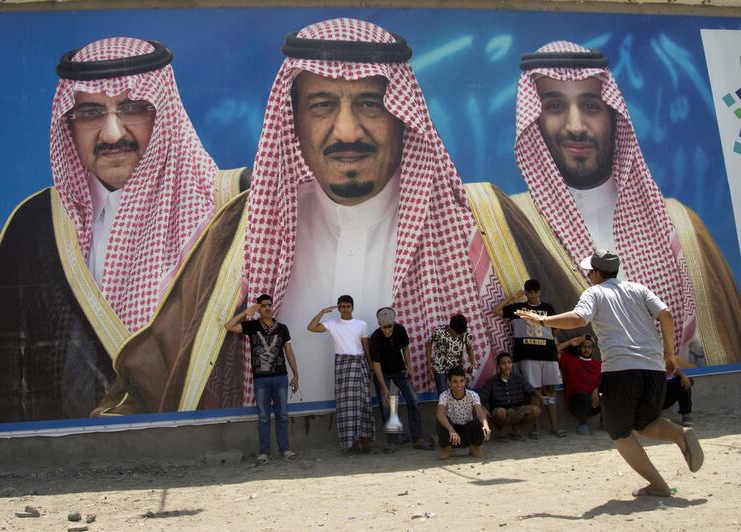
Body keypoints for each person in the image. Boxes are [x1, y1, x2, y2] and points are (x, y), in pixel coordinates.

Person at [93, 18, 512, 416]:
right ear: (293, 121)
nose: (347, 131)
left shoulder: (469, 239)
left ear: (401, 119)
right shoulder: (237, 234)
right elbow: (161, 370)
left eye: (370, 104)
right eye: (322, 105)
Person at [0, 37, 225, 425]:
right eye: (91, 112)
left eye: (132, 108)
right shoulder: (32, 224)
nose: (112, 134)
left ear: (164, 113)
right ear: (69, 125)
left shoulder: (226, 212)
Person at [509, 40, 741, 366]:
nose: (575, 127)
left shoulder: (682, 226)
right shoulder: (511, 224)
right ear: (535, 120)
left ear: (613, 116)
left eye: (590, 106)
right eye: (555, 107)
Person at [516, 249, 704, 497]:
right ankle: (680, 433)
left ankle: (658, 485)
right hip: (654, 369)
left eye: (589, 272)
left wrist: (541, 321)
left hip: (621, 369)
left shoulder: (594, 293)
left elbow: (578, 318)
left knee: (619, 431)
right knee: (645, 423)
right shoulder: (639, 289)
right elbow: (666, 315)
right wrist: (669, 354)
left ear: (595, 273)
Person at [224, 294, 299, 464]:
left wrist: (296, 374)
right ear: (259, 308)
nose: (267, 308)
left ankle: (285, 449)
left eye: (269, 305)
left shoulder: (282, 328)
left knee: (282, 414)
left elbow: (289, 352)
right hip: (261, 379)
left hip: (280, 377)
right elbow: (228, 326)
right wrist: (246, 313)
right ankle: (264, 452)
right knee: (264, 416)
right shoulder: (252, 326)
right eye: (263, 305)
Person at [493, 279, 565, 437]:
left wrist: (551, 340)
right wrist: (512, 297)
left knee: (551, 390)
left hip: (548, 355)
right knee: (534, 391)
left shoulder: (548, 308)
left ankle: (554, 426)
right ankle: (536, 428)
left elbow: (557, 329)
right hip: (527, 356)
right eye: (530, 292)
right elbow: (496, 311)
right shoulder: (518, 308)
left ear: (539, 292)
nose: (533, 295)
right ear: (526, 293)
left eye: (536, 292)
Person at [308, 295, 378, 452]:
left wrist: (371, 368)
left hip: (360, 366)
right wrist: (323, 311)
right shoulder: (332, 324)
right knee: (345, 405)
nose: (346, 309)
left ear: (353, 308)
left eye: (348, 306)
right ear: (338, 308)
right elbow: (311, 327)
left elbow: (366, 348)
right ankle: (350, 444)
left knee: (364, 403)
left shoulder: (361, 324)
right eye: (342, 306)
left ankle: (365, 442)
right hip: (343, 368)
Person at [369, 307, 433, 452]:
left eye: (389, 327)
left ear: (393, 323)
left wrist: (409, 366)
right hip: (383, 373)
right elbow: (376, 365)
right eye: (383, 327)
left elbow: (405, 347)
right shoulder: (375, 338)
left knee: (414, 401)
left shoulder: (400, 330)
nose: (386, 330)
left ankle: (417, 438)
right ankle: (393, 441)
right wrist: (384, 388)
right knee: (387, 406)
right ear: (379, 325)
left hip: (399, 370)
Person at [478, 352, 543, 440]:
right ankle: (501, 430)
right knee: (500, 412)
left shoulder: (519, 378)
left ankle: (516, 429)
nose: (507, 366)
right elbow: (482, 398)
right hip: (499, 412)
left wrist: (540, 396)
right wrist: (486, 413)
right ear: (498, 366)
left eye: (509, 362)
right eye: (503, 363)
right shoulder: (492, 381)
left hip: (516, 410)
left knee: (536, 410)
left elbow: (531, 390)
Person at [436, 366, 491, 460]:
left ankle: (474, 447)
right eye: (455, 381)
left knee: (479, 420)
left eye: (461, 381)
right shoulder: (444, 396)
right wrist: (451, 430)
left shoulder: (473, 395)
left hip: (467, 432)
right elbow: (440, 413)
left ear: (465, 381)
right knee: (440, 420)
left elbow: (479, 410)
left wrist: (486, 425)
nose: (459, 385)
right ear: (449, 382)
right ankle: (447, 448)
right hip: (452, 433)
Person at [557, 335, 601, 434]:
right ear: (579, 348)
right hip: (576, 403)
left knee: (608, 393)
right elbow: (551, 351)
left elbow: (606, 381)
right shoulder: (569, 360)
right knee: (583, 395)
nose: (586, 349)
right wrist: (569, 342)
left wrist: (597, 389)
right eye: (584, 347)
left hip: (594, 403)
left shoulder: (598, 365)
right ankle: (583, 425)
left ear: (593, 349)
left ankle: (606, 423)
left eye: (589, 347)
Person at [425, 314, 477, 395]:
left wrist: (473, 363)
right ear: (450, 327)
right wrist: (428, 365)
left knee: (460, 392)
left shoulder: (466, 332)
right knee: (442, 394)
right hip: (440, 366)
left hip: (457, 366)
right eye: (456, 333)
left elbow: (469, 348)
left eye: (460, 333)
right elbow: (428, 344)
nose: (458, 335)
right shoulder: (439, 331)